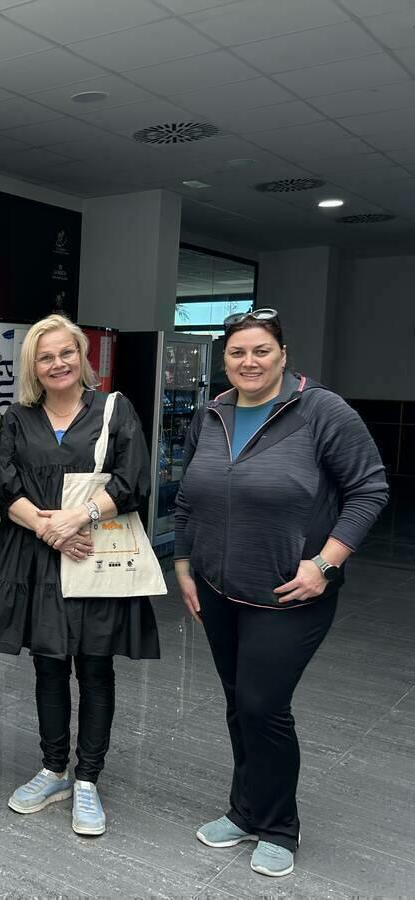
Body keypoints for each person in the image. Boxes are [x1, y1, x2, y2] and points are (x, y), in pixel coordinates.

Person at [173, 309, 388, 878]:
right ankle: (244, 811)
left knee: (263, 706)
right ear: (225, 359)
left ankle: (278, 827)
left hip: (291, 594)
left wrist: (325, 562)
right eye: (238, 352)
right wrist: (184, 562)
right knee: (238, 704)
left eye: (261, 351)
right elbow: (189, 496)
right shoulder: (211, 413)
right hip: (218, 589)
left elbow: (369, 490)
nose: (249, 362)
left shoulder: (322, 411)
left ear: (283, 354)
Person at [0, 313, 158, 837]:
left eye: (66, 352)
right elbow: (1, 486)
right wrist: (52, 530)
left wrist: (80, 517)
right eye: (45, 356)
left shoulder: (114, 411)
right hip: (35, 559)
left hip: (96, 557)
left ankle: (88, 781)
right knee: (49, 667)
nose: (57, 363)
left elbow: (132, 480)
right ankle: (54, 769)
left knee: (95, 669)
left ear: (83, 356)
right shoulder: (16, 418)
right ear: (33, 365)